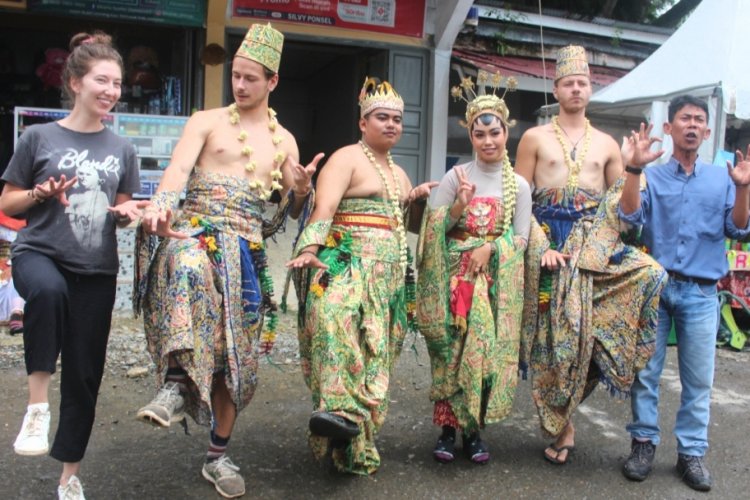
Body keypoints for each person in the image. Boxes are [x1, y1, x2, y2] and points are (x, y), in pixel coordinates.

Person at [132, 23, 318, 499]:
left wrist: (300, 191)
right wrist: (162, 204)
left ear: (272, 81)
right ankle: (175, 384)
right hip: (193, 230)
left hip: (247, 251)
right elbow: (176, 168)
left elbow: (287, 214)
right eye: (236, 75)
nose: (240, 85)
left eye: (251, 78)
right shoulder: (206, 120)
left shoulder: (285, 142)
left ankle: (218, 455)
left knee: (235, 360)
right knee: (190, 268)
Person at [0, 31, 144, 500]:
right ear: (76, 82)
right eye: (102, 80)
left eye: (117, 83)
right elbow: (10, 202)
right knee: (48, 291)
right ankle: (37, 407)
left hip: (96, 270)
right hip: (39, 253)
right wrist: (40, 193)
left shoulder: (122, 149)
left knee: (85, 374)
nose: (111, 91)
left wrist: (128, 215)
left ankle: (69, 477)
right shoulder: (39, 137)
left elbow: (123, 209)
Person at [515, 45, 665, 465]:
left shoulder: (607, 144)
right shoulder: (533, 137)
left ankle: (566, 411)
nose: (576, 88)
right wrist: (540, 246)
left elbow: (625, 213)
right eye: (568, 82)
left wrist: (634, 168)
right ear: (556, 88)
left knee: (649, 276)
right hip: (546, 242)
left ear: (590, 88)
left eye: (582, 82)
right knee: (551, 343)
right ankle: (563, 427)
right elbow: (518, 199)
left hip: (591, 245)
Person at [286, 77, 436, 475]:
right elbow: (323, 210)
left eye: (397, 120)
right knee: (334, 320)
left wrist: (418, 202)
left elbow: (409, 228)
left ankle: (353, 443)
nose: (391, 125)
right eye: (382, 118)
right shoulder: (346, 158)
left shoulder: (400, 174)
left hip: (387, 280)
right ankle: (336, 408)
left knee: (376, 358)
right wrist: (308, 249)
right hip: (344, 265)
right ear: (363, 123)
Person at [618, 95, 750, 492]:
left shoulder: (722, 178)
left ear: (707, 131)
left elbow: (739, 229)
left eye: (698, 120)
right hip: (656, 288)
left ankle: (691, 453)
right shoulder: (652, 178)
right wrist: (633, 169)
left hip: (701, 293)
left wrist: (744, 188)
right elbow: (628, 219)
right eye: (684, 118)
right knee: (646, 372)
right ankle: (643, 444)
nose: (691, 125)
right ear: (669, 128)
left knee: (699, 379)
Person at [416, 70, 531, 464]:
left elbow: (521, 238)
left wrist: (490, 251)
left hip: (494, 283)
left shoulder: (520, 186)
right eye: (479, 135)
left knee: (482, 354)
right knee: (452, 353)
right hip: (454, 280)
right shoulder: (456, 176)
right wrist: (460, 207)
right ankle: (448, 431)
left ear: (506, 133)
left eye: (495, 133)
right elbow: (432, 230)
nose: (488, 141)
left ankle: (475, 432)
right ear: (471, 136)